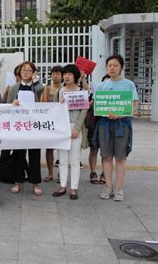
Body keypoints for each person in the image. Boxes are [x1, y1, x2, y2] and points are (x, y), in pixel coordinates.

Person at [94, 55, 139, 202]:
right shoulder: (101, 86)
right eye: (109, 66)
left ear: (121, 67)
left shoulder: (129, 85)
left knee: (120, 157)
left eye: (115, 65)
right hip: (104, 125)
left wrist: (121, 114)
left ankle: (119, 189)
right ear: (106, 68)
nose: (112, 68)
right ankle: (108, 186)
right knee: (106, 157)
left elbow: (134, 106)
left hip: (122, 125)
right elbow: (96, 105)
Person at [7, 61, 44, 195]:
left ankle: (35, 183)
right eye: (23, 70)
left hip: (33, 126)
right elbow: (7, 107)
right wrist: (13, 104)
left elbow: (43, 100)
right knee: (18, 155)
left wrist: (35, 82)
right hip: (19, 126)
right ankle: (18, 181)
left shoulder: (38, 88)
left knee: (34, 154)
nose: (25, 72)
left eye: (29, 70)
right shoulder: (14, 88)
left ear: (33, 73)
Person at [52, 64, 88, 200]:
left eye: (69, 74)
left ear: (75, 76)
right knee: (62, 159)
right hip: (62, 128)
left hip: (75, 128)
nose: (66, 76)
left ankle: (74, 188)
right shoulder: (60, 91)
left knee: (74, 160)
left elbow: (84, 111)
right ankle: (62, 186)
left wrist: (77, 129)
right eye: (65, 74)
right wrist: (59, 104)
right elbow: (54, 110)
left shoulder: (81, 91)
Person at [40, 65, 63, 182]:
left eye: (58, 74)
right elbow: (42, 105)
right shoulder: (47, 89)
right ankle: (50, 173)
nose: (55, 76)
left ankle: (61, 173)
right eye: (53, 73)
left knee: (62, 149)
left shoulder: (65, 89)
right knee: (49, 149)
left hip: (62, 123)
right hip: (50, 123)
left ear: (62, 75)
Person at [87, 74, 110, 184]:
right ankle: (93, 172)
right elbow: (87, 105)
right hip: (95, 125)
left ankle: (104, 173)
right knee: (94, 150)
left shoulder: (116, 98)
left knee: (106, 152)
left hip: (109, 126)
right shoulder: (95, 95)